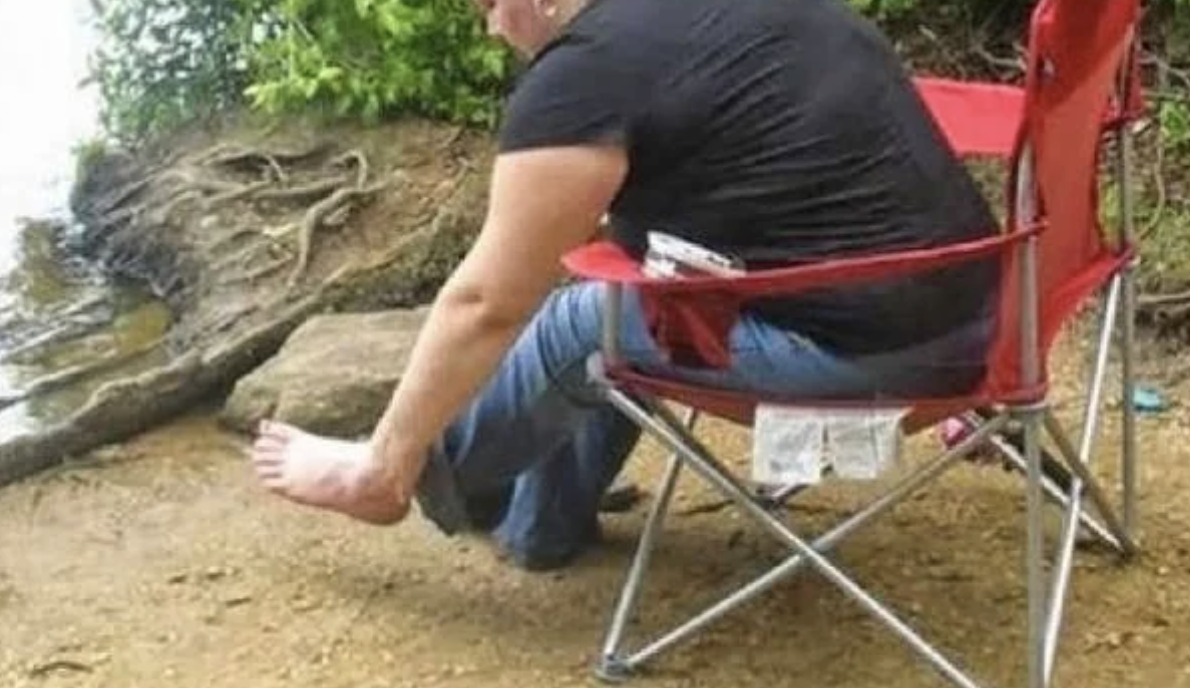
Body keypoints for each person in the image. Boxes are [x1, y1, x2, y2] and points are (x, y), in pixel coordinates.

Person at [250, 0, 999, 570]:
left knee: (586, 316)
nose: (489, 31)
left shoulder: (584, 76)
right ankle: (537, 523)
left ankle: (388, 475)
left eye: (486, 6)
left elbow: (485, 304)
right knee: (628, 289)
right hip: (988, 321)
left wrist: (390, 450)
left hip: (877, 361)